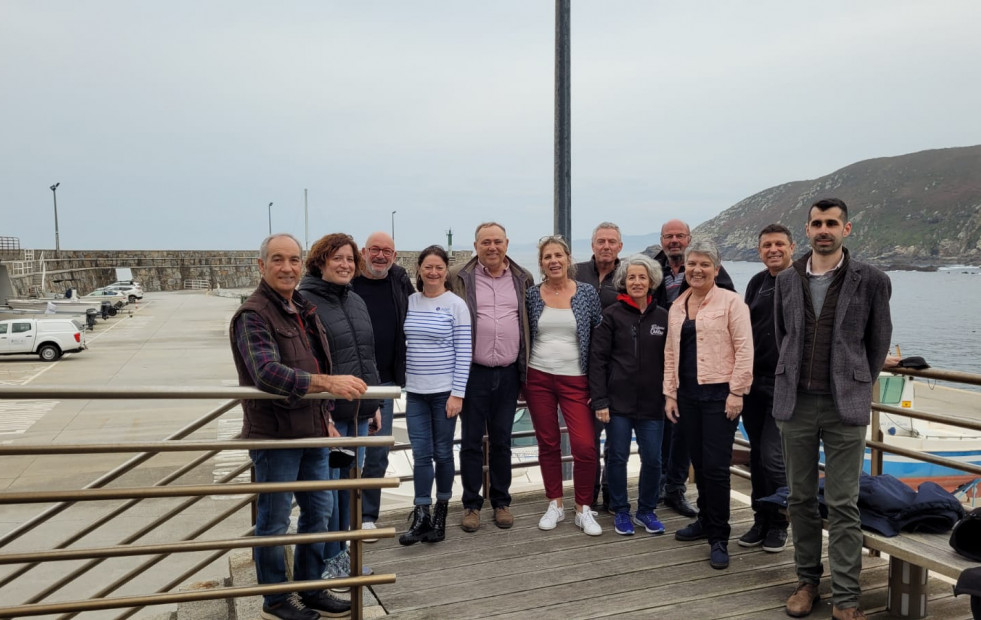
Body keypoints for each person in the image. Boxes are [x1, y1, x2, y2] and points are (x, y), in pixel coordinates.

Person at [230, 233, 362, 620]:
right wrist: (327, 385)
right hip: (275, 436)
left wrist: (326, 418)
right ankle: (276, 599)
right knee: (272, 521)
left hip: (313, 431)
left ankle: (310, 587)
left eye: (293, 260)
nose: (287, 268)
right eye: (278, 260)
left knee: (319, 512)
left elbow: (316, 363)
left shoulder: (302, 307)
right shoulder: (253, 314)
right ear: (261, 266)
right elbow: (267, 372)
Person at [775, 199, 893, 620]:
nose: (824, 229)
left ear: (847, 229)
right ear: (806, 230)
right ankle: (807, 582)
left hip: (846, 406)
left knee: (844, 503)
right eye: (816, 223)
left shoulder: (872, 280)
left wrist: (856, 381)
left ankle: (846, 596)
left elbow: (878, 343)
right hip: (797, 405)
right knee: (801, 499)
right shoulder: (787, 279)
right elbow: (783, 334)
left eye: (831, 223)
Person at [664, 239, 753, 570]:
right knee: (699, 464)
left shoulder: (732, 303)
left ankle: (719, 536)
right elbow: (671, 353)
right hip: (687, 396)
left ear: (716, 269)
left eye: (704, 264)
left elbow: (745, 350)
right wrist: (670, 393)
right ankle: (705, 519)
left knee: (715, 468)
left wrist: (737, 392)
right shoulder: (677, 306)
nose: (696, 270)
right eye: (691, 264)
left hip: (720, 396)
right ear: (684, 268)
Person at [297, 233, 381, 582]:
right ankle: (327, 563)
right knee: (326, 496)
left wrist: (372, 403)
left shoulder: (356, 300)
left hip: (358, 416)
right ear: (320, 262)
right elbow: (308, 361)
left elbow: (366, 357)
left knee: (349, 489)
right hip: (330, 418)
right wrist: (324, 413)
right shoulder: (304, 302)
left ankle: (342, 555)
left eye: (349, 259)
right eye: (337, 259)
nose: (345, 265)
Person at [449, 222, 534, 532]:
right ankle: (471, 505)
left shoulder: (523, 278)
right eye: (486, 242)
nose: (492, 247)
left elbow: (528, 324)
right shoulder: (459, 277)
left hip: (510, 372)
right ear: (476, 245)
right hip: (472, 373)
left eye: (497, 241)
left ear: (507, 244)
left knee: (502, 442)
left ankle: (501, 502)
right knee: (471, 442)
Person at [653, 219, 737, 519]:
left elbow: (734, 330)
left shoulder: (717, 279)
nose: (674, 241)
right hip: (663, 364)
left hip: (706, 374)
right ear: (662, 240)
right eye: (668, 236)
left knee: (690, 442)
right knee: (665, 430)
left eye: (679, 236)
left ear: (688, 239)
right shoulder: (654, 268)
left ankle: (679, 491)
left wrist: (736, 390)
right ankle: (662, 488)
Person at [525, 235, 604, 536]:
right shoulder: (532, 295)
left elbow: (597, 341)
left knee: (585, 446)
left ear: (568, 259)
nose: (554, 261)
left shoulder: (586, 293)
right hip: (539, 378)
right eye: (547, 257)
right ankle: (555, 503)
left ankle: (583, 508)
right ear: (542, 264)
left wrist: (596, 386)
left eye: (558, 255)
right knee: (548, 444)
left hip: (576, 379)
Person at [589, 254, 669, 537]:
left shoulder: (663, 317)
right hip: (617, 404)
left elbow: (671, 360)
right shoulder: (611, 315)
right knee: (617, 457)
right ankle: (621, 510)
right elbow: (597, 360)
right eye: (632, 277)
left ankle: (646, 510)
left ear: (651, 282)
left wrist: (670, 395)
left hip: (652, 404)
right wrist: (600, 401)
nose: (637, 282)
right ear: (624, 281)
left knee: (653, 459)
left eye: (642, 277)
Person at [400, 245, 472, 545]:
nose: (432, 272)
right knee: (420, 455)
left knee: (443, 453)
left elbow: (464, 351)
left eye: (438, 268)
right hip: (415, 392)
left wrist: (458, 393)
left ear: (446, 271)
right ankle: (421, 514)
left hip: (445, 393)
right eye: (427, 267)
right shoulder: (410, 302)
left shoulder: (456, 304)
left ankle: (441, 511)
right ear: (419, 269)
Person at [351, 231, 415, 538]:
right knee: (350, 453)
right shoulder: (348, 281)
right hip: (351, 380)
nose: (380, 256)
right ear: (363, 251)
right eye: (374, 250)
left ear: (394, 255)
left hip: (386, 381)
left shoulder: (399, 280)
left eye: (387, 251)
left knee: (377, 452)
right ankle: (344, 517)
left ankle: (367, 515)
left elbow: (416, 313)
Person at [737, 224, 795, 554]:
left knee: (774, 456)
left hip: (785, 384)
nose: (772, 250)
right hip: (753, 382)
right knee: (757, 455)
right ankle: (761, 517)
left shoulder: (801, 281)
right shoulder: (757, 283)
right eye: (766, 245)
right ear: (759, 251)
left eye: (778, 244)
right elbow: (743, 329)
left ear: (791, 246)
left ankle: (781, 521)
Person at [574, 221, 624, 512]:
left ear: (620, 246)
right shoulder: (577, 272)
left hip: (620, 369)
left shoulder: (630, 274)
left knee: (616, 442)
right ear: (592, 245)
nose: (606, 246)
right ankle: (587, 497)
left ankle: (612, 495)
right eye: (601, 241)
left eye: (611, 241)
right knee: (587, 441)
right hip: (583, 370)